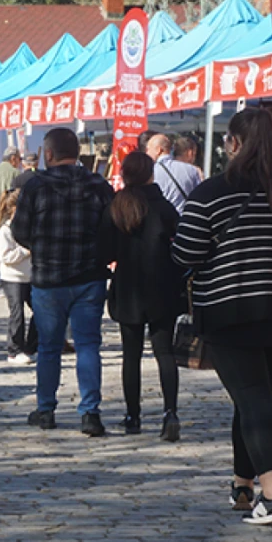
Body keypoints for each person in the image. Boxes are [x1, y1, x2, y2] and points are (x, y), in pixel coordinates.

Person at [172, 109, 272, 525]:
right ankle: (243, 485)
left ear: (233, 144)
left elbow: (184, 254)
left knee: (254, 400)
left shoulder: (210, 194)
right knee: (256, 398)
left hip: (230, 312)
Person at [12, 128, 114, 437]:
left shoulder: (35, 187)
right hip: (89, 277)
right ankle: (90, 413)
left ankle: (46, 410)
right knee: (87, 345)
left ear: (49, 154)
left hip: (48, 277)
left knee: (49, 347)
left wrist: (40, 247)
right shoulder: (99, 185)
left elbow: (20, 230)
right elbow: (113, 227)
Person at [97, 152, 183, 441]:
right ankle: (170, 411)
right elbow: (182, 247)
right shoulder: (164, 207)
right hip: (162, 288)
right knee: (165, 352)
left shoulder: (116, 207)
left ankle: (133, 416)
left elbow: (105, 252)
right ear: (151, 174)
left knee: (130, 356)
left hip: (128, 288)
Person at [0, 190, 38, 365]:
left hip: (30, 275)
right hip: (12, 277)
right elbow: (6, 257)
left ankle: (31, 346)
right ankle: (14, 349)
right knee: (17, 313)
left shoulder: (30, 227)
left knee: (40, 311)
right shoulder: (4, 231)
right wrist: (26, 251)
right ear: (13, 208)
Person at [147, 134, 201, 212]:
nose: (147, 152)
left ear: (158, 150)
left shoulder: (152, 171)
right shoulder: (192, 170)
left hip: (162, 219)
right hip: (184, 219)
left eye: (148, 149)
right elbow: (198, 198)